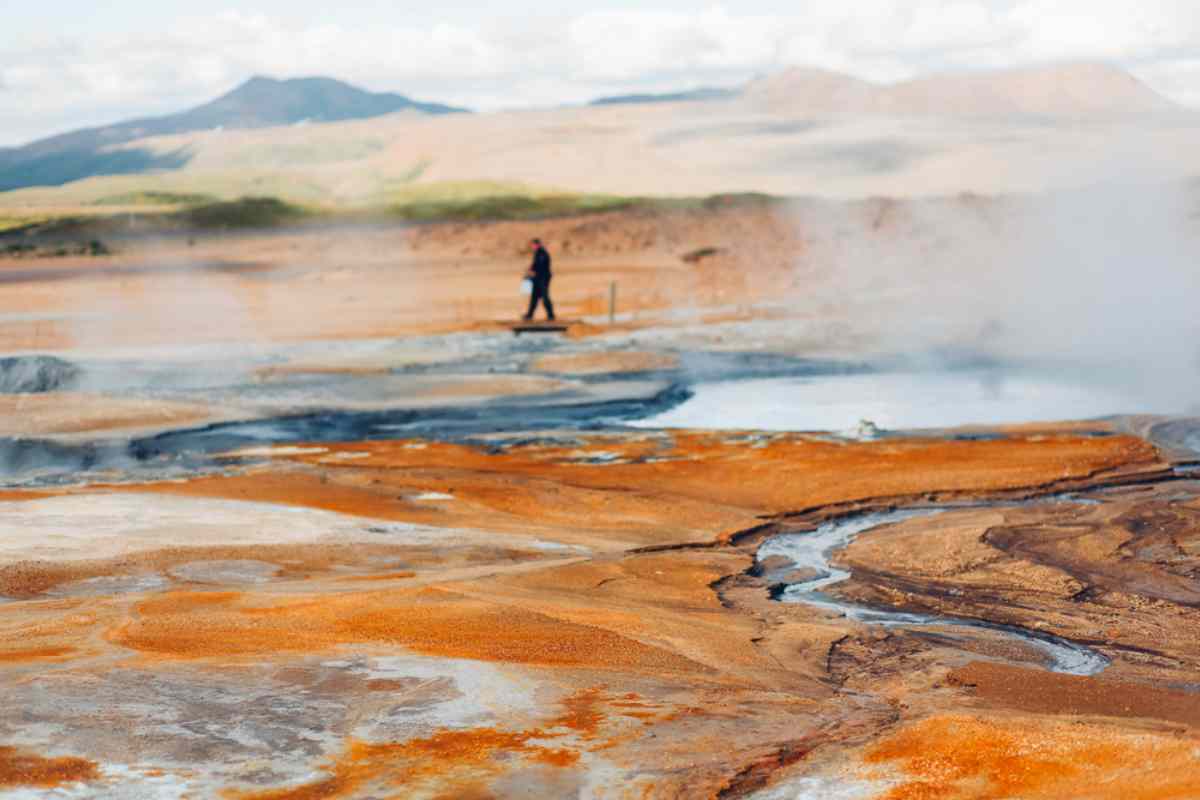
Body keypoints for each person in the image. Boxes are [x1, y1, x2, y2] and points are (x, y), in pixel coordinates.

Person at [522, 238, 555, 321]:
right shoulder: (537, 253)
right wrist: (529, 272)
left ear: (537, 245)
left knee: (545, 297)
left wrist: (532, 271)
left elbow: (540, 266)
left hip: (543, 279)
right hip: (537, 279)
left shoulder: (543, 253)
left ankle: (551, 315)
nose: (532, 247)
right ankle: (529, 315)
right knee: (534, 298)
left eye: (533, 245)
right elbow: (535, 265)